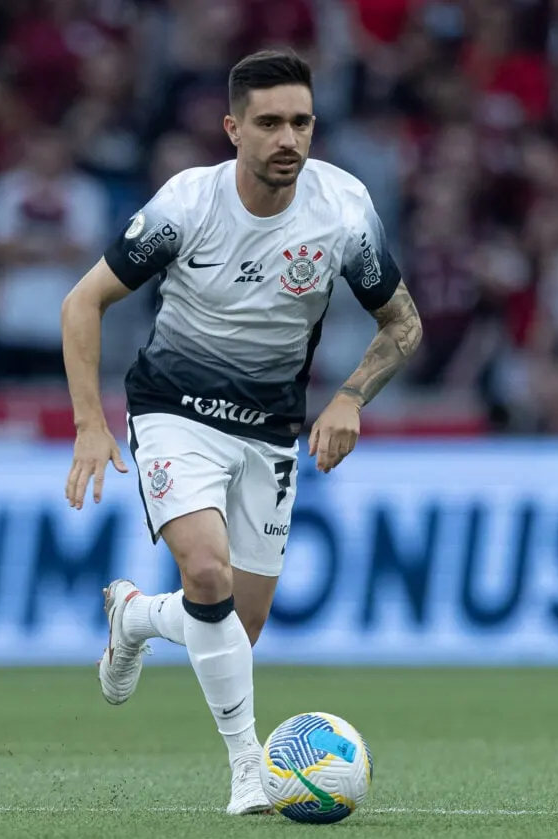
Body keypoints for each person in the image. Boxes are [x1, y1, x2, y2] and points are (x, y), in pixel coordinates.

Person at [60, 49, 422, 815]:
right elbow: (81, 303)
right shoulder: (185, 206)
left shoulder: (344, 211)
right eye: (268, 123)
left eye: (300, 122)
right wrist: (91, 423)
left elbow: (403, 323)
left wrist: (352, 396)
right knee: (209, 577)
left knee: (234, 626)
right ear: (233, 129)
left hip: (271, 431)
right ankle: (248, 771)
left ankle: (132, 616)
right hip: (173, 411)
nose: (287, 138)